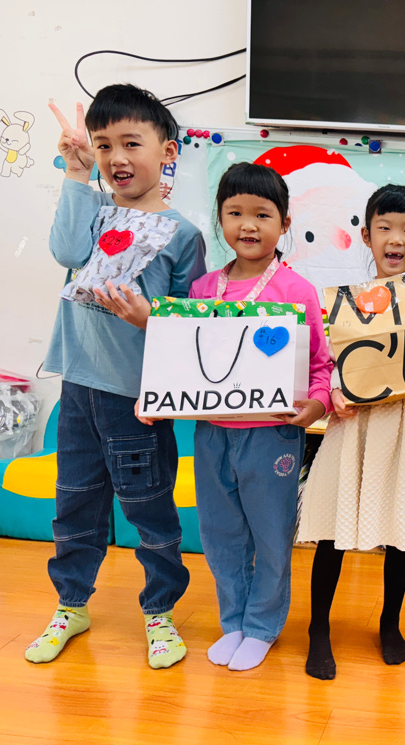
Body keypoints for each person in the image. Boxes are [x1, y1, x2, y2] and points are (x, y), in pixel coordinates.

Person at [25, 85, 205, 668]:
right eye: (104, 145)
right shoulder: (93, 210)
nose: (116, 157)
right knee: (75, 503)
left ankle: (160, 611)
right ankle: (70, 604)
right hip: (78, 387)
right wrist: (77, 173)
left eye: (131, 143)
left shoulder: (184, 234)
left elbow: (188, 324)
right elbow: (65, 251)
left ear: (168, 151)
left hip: (136, 398)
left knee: (150, 508)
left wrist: (152, 320)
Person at [139, 162, 334, 671]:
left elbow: (321, 365)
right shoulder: (202, 290)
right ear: (220, 218)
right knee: (220, 532)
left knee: (270, 533)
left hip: (272, 435)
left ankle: (263, 626)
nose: (248, 225)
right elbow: (181, 356)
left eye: (262, 215)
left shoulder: (297, 291)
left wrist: (317, 403)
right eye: (235, 213)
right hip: (211, 434)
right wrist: (156, 396)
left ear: (284, 223)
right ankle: (234, 622)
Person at [298, 184, 405, 680]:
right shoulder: (348, 303)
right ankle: (318, 628)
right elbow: (330, 363)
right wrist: (335, 391)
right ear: (367, 236)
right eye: (385, 228)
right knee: (333, 529)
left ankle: (390, 623)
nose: (396, 239)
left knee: (402, 529)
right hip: (357, 425)